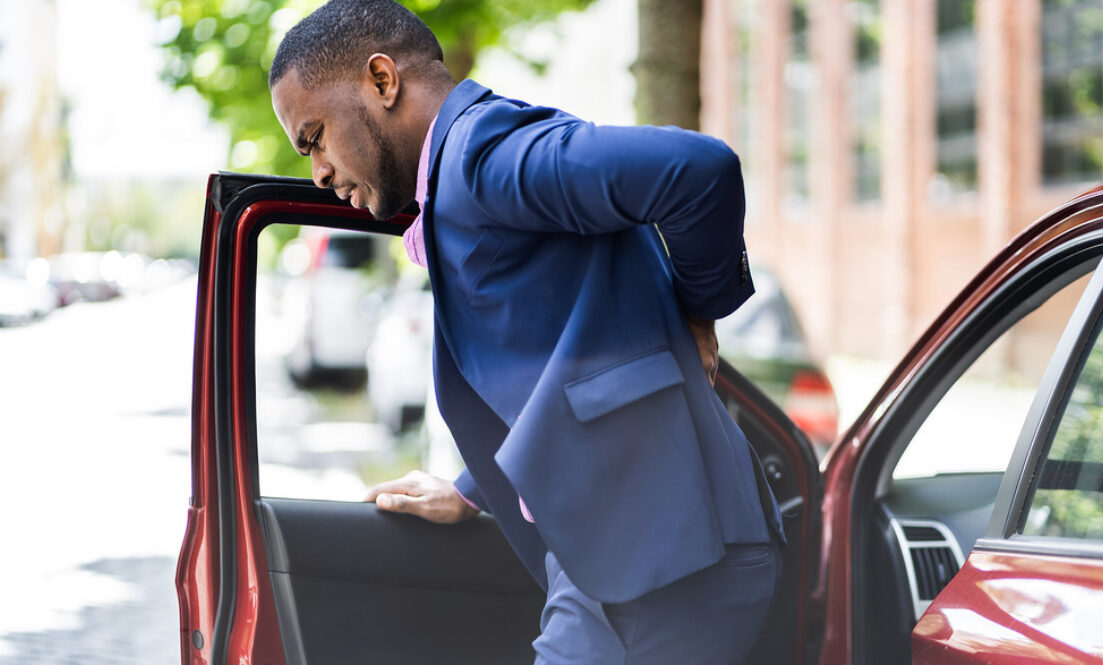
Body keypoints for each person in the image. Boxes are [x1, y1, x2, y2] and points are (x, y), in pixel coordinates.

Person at [269, 1, 785, 662]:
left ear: (381, 80)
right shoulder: (458, 176)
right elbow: (565, 370)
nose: (318, 171)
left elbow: (698, 170)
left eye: (314, 136)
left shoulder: (486, 155)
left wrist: (697, 310)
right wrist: (470, 488)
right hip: (613, 557)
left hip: (672, 563)